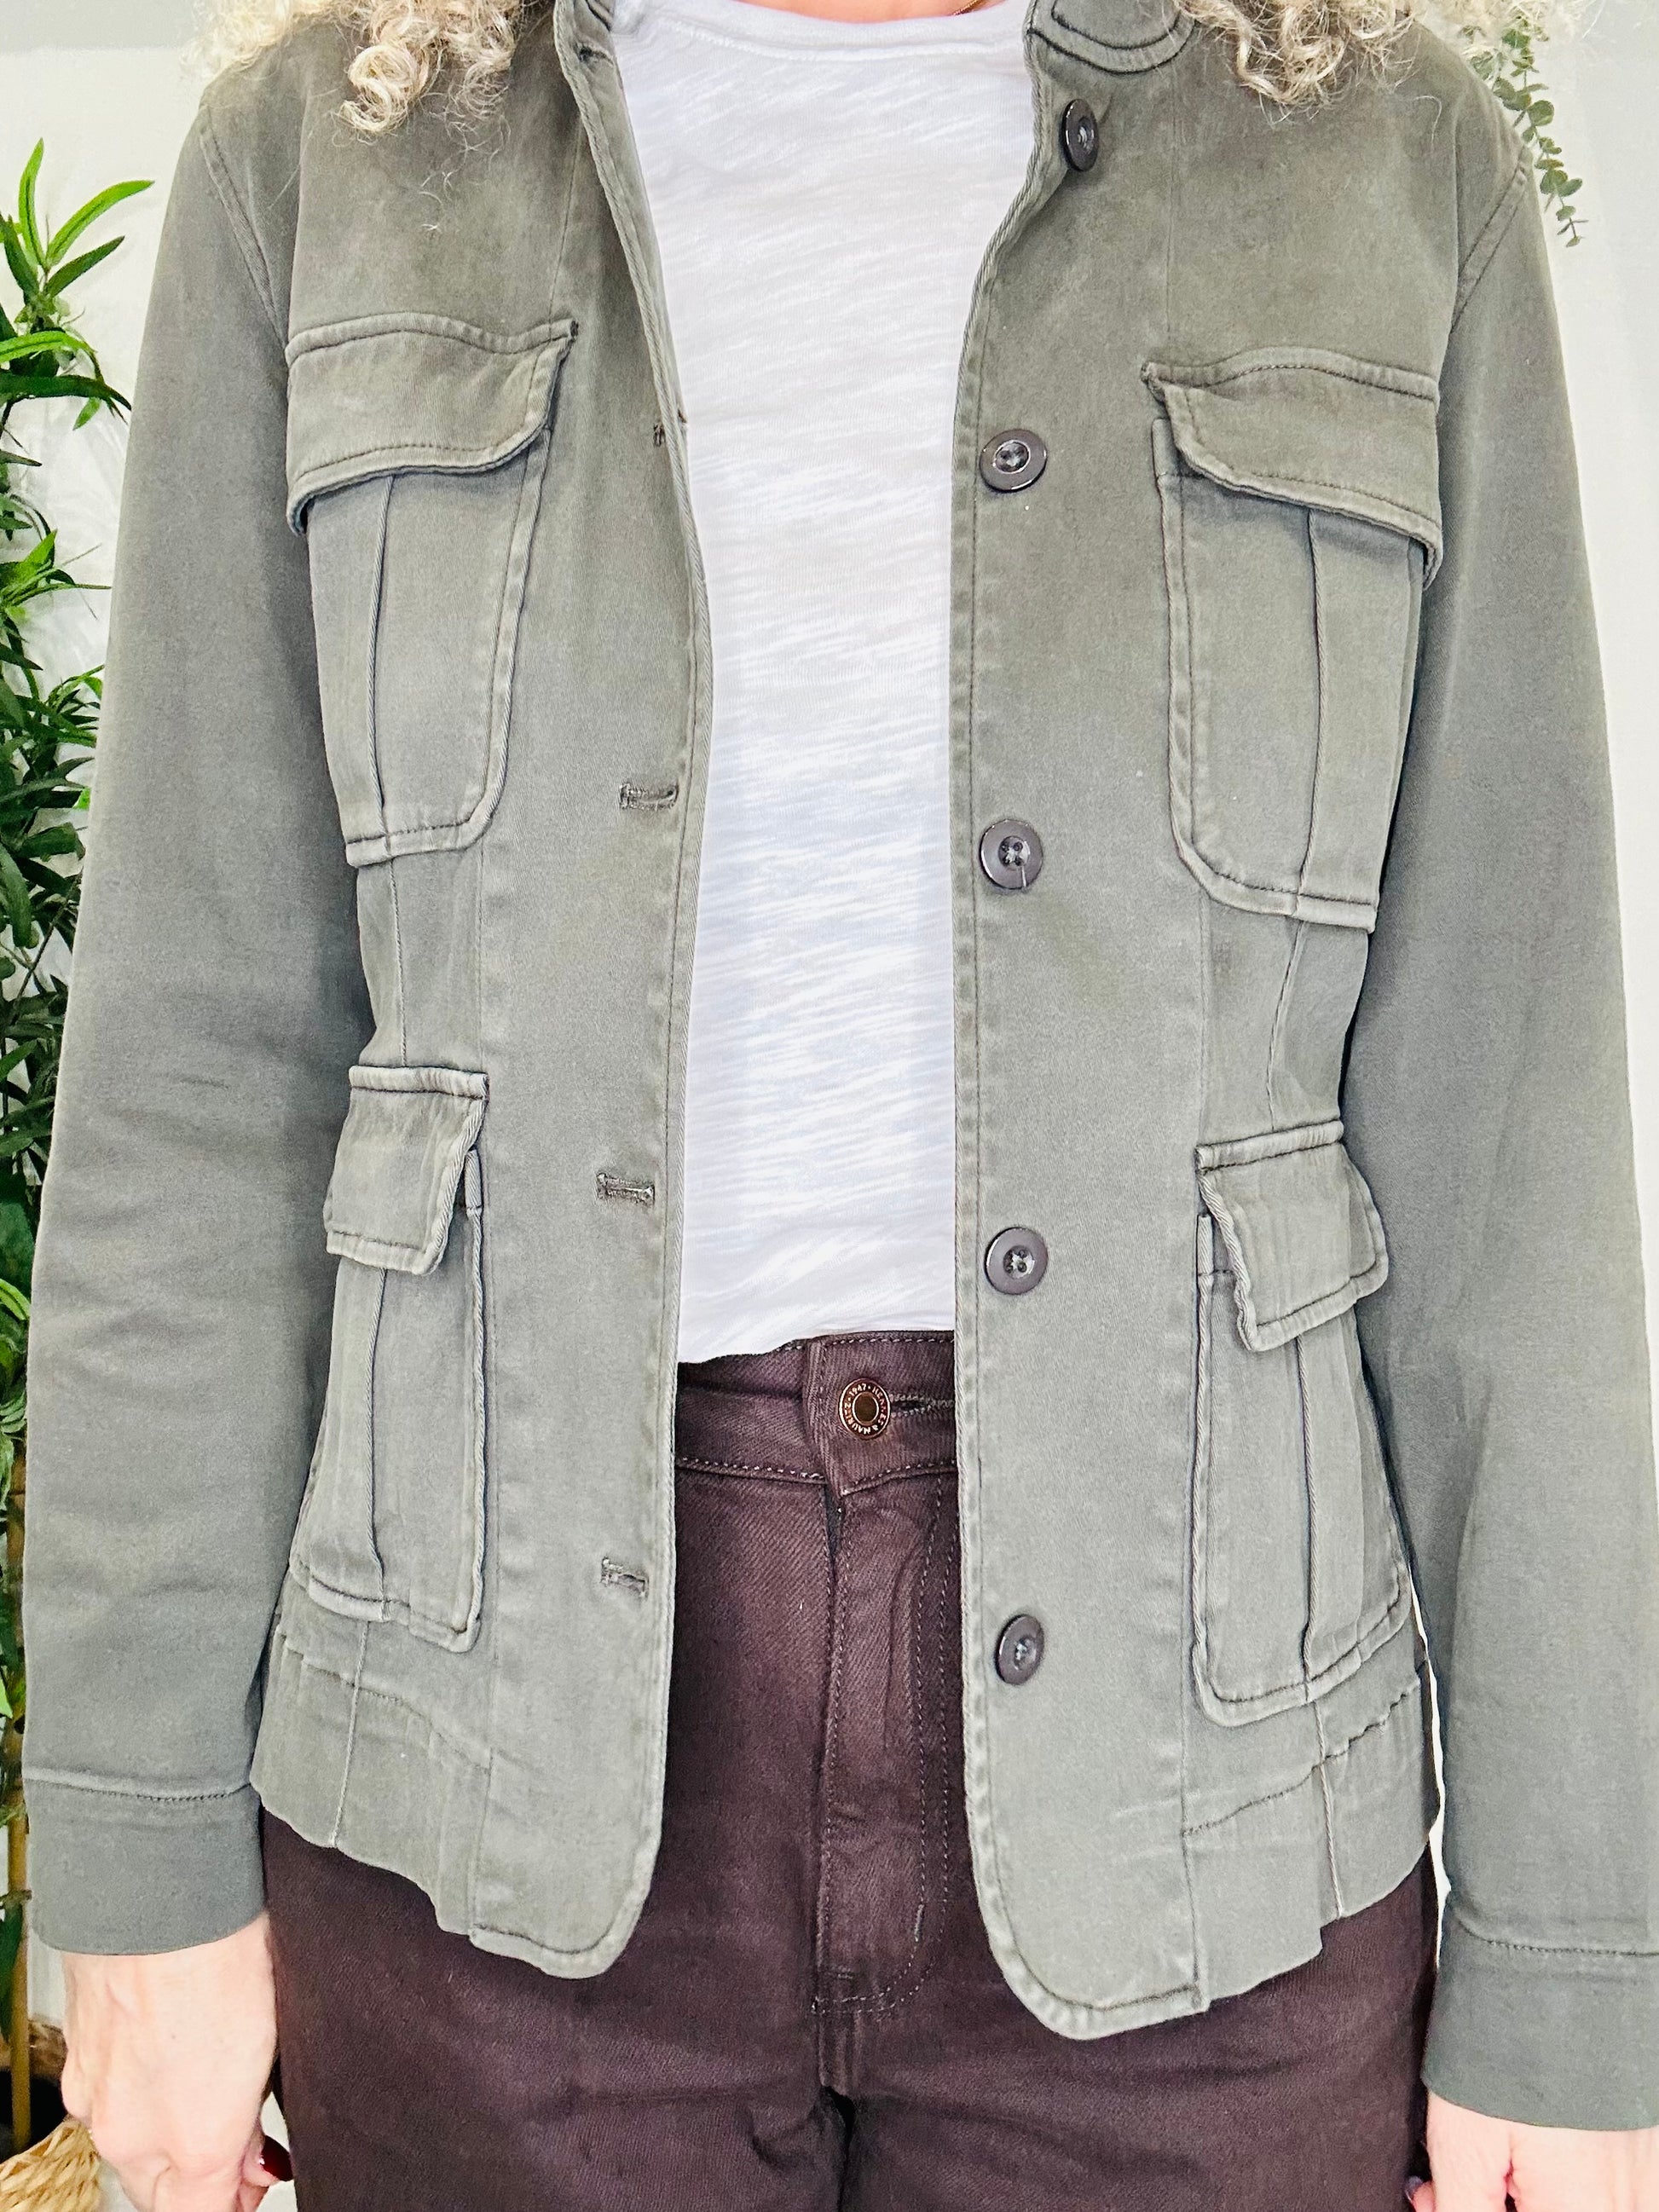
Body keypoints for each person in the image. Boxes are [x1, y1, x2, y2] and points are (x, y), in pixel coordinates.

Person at [18, 0, 1659, 2201]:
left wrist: (1572, 1964)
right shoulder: (320, 170)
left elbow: (1508, 1143)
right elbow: (197, 1082)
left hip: (1211, 1818)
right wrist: (136, 1857)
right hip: (483, 1800)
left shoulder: (1389, 167)